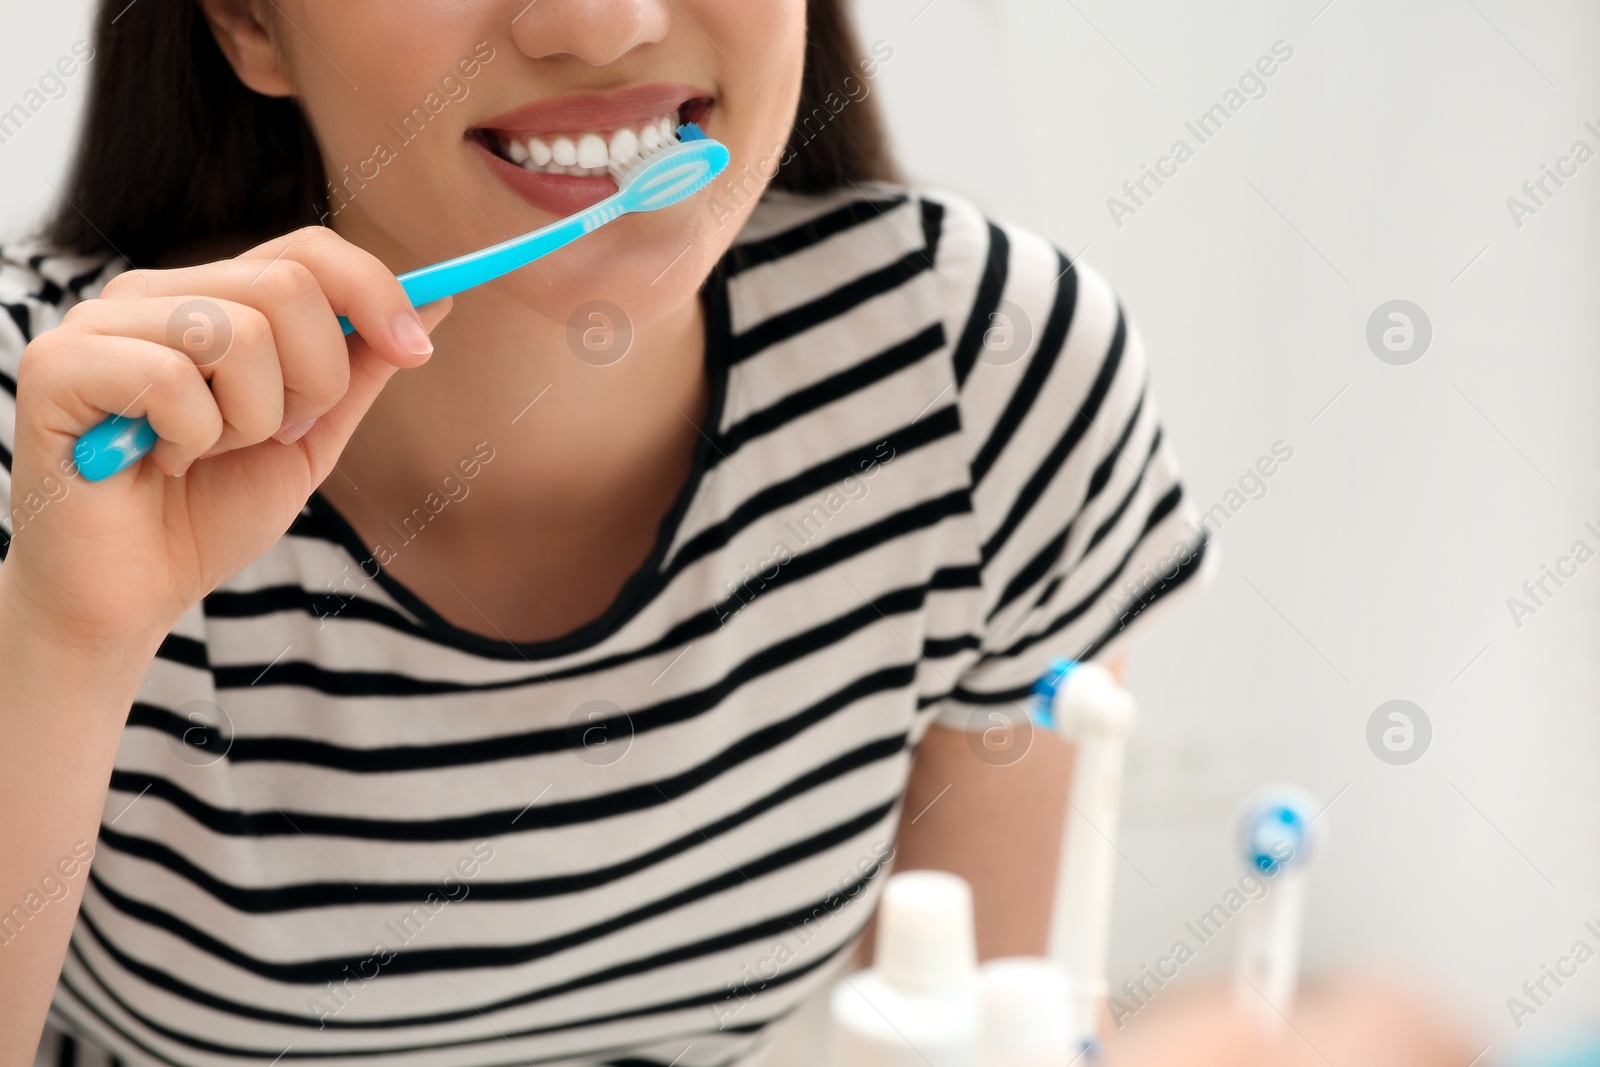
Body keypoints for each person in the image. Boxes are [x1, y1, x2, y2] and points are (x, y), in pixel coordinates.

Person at [0, 1, 1212, 1063]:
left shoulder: (980, 372)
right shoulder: (53, 427)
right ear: (248, 20)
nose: (599, 20)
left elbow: (974, 1022)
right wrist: (64, 638)